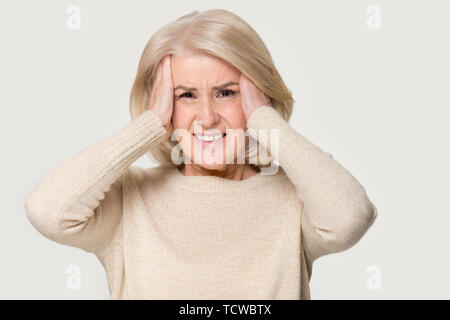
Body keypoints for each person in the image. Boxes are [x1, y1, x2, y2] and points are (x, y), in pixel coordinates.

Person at [24, 9, 377, 300]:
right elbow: (48, 212)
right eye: (186, 95)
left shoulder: (295, 200)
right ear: (165, 107)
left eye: (226, 93)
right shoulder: (129, 199)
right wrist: (149, 125)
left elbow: (351, 218)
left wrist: (265, 121)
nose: (206, 117)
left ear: (259, 97)